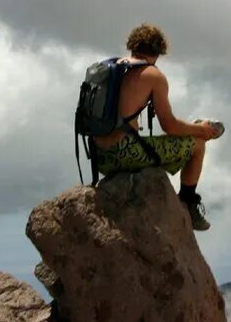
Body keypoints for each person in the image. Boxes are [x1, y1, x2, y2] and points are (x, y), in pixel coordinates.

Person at [93, 23, 223, 230]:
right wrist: (202, 130)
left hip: (99, 157)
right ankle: (189, 204)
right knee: (198, 144)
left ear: (132, 45)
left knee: (186, 138)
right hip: (125, 153)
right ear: (159, 51)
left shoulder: (111, 68)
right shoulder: (153, 75)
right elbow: (170, 126)